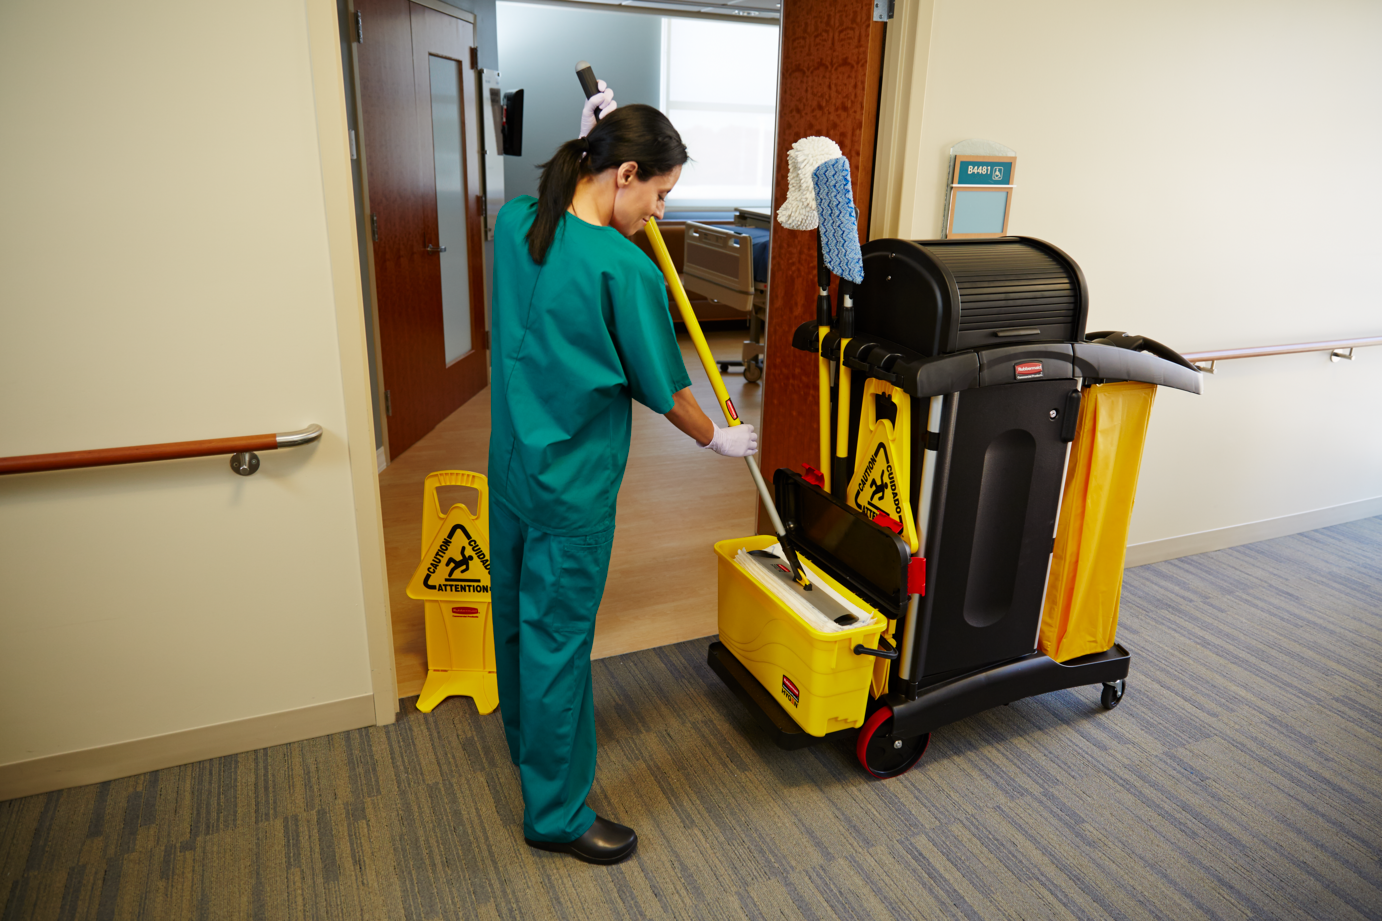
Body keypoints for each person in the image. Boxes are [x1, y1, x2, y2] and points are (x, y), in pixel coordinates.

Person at [487, 91, 757, 865]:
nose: (660, 214)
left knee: (517, 620)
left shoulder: (516, 224)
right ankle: (556, 813)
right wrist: (717, 438)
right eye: (660, 194)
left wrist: (581, 148)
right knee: (558, 643)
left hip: (513, 469)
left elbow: (551, 202)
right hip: (571, 488)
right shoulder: (623, 269)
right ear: (626, 172)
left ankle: (528, 744)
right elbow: (669, 391)